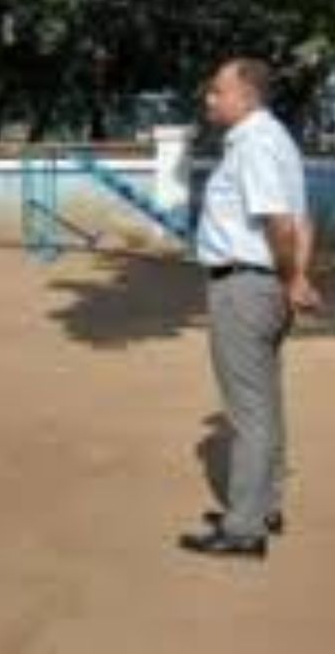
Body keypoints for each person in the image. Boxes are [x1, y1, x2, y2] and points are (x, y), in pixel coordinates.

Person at [179, 58, 321, 559]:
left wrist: (293, 278)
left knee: (249, 413)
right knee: (265, 405)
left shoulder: (255, 143)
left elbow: (280, 222)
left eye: (218, 90)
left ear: (246, 94)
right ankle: (263, 507)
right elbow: (304, 220)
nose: (210, 99)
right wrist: (297, 277)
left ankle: (243, 529)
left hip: (244, 286)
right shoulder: (277, 139)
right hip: (265, 285)